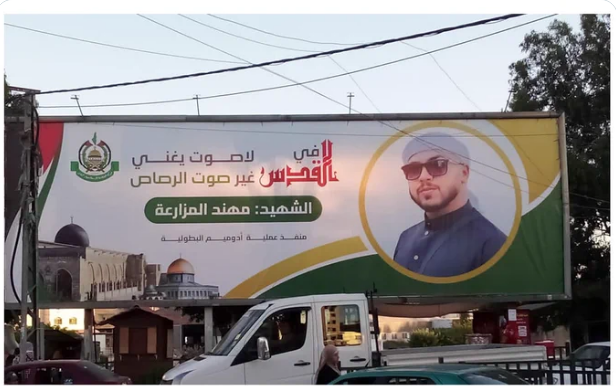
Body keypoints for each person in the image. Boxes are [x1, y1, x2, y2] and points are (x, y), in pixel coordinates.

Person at [394, 133, 507, 277]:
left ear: (464, 173)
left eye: (438, 165)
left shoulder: (492, 242)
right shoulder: (405, 238)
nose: (423, 177)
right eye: (413, 169)